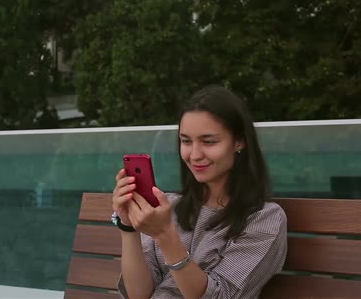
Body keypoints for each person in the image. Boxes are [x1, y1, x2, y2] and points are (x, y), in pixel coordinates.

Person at [111, 85, 288, 299]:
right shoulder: (169, 206)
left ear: (239, 142)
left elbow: (221, 296)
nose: (194, 155)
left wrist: (166, 236)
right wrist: (128, 227)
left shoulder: (264, 219)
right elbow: (138, 295)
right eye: (186, 141)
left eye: (208, 142)